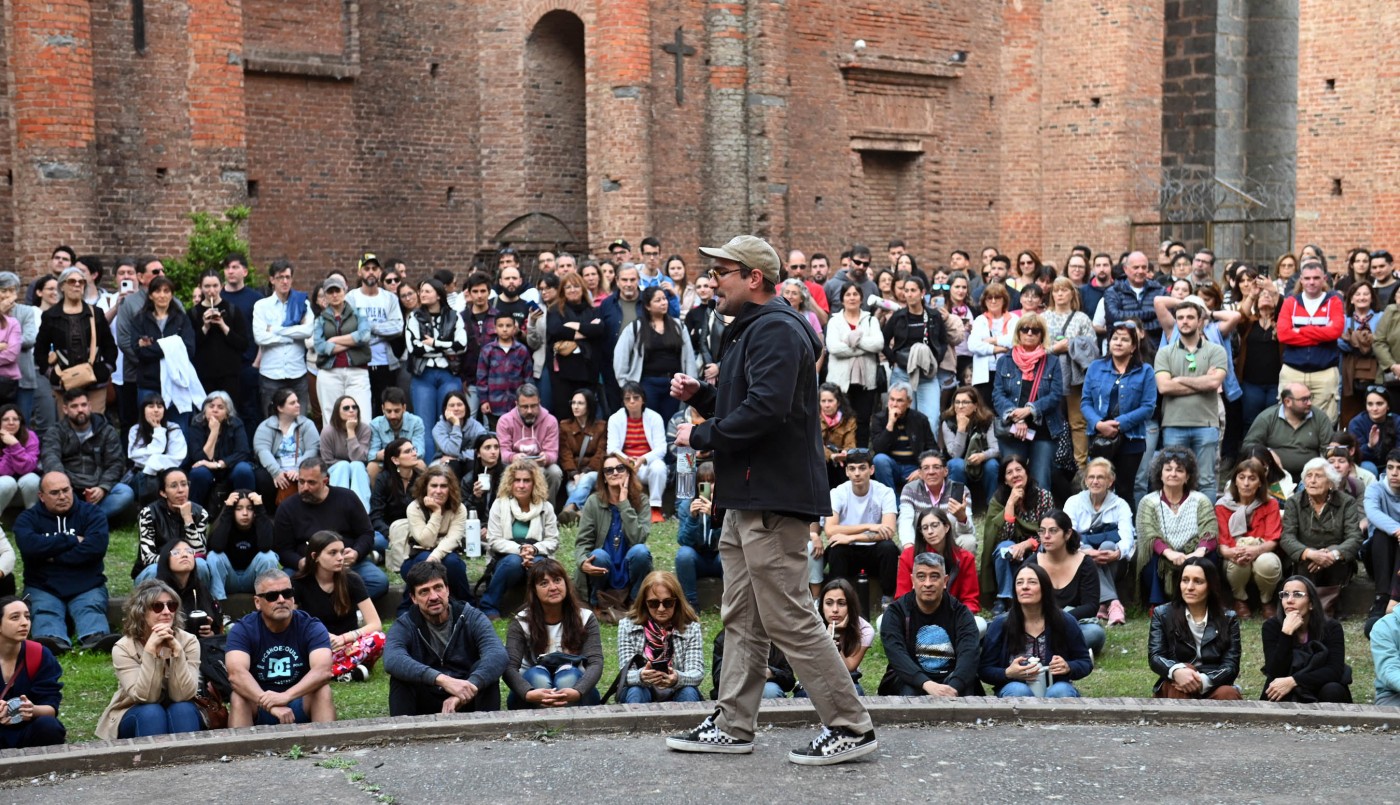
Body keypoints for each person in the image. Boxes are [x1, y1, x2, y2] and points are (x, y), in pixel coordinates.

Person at [668, 235, 875, 766]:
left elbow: (768, 411)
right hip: (745, 498)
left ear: (753, 277)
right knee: (742, 616)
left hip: (773, 498)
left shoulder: (778, 329)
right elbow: (754, 404)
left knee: (788, 617)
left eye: (723, 272)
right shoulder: (751, 331)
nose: (713, 281)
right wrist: (705, 398)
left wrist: (703, 433)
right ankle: (735, 723)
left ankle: (850, 725)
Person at [15, 472, 119, 654]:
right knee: (44, 610)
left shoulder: (92, 513)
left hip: (87, 584)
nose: (62, 496)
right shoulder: (27, 519)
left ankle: (95, 637)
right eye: (55, 493)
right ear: (41, 496)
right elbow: (30, 547)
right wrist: (71, 540)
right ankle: (52, 641)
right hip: (43, 585)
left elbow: (94, 549)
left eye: (66, 490)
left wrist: (51, 556)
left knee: (90, 607)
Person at [385, 560, 508, 715]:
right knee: (400, 678)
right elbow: (392, 659)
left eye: (438, 588)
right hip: (425, 701)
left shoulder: (471, 616)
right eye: (424, 591)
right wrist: (442, 680)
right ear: (414, 598)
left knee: (484, 671)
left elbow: (498, 655)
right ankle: (403, 734)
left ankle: (487, 731)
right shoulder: (405, 624)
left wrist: (466, 689)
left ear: (447, 589)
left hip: (468, 699)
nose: (434, 596)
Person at [94, 579, 202, 739]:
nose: (167, 612)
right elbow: (146, 698)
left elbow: (182, 695)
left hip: (179, 709)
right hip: (137, 711)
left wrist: (177, 653)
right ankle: (153, 763)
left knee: (183, 709)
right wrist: (151, 652)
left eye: (171, 606)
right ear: (141, 612)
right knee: (152, 712)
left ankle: (190, 762)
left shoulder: (188, 641)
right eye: (158, 607)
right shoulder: (123, 648)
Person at [226, 569, 335, 726]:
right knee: (239, 697)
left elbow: (323, 671)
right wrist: (269, 703)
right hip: (259, 702)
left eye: (287, 593)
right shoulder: (243, 629)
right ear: (257, 602)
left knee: (323, 691)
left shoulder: (311, 626)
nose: (282, 600)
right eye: (272, 596)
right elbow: (236, 675)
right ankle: (239, 750)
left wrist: (286, 696)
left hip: (299, 701)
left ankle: (326, 746)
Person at [273, 457, 388, 598]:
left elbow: (366, 533)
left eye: (311, 483)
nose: (304, 488)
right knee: (284, 588)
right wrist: (299, 562)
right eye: (301, 482)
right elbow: (282, 549)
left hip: (344, 563)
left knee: (378, 581)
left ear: (325, 481)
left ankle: (342, 608)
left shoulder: (347, 498)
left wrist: (356, 553)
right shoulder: (287, 507)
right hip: (308, 566)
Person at [980, 563, 1093, 698]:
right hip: (1014, 687)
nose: (1025, 587)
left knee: (1061, 691)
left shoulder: (1065, 621)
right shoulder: (1000, 624)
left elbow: (1085, 662)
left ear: (1044, 588)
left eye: (1032, 582)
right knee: (1018, 690)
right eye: (1019, 583)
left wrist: (1068, 666)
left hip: (1055, 686)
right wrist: (1007, 673)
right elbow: (984, 670)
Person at [503, 557, 604, 708]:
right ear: (534, 591)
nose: (553, 587)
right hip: (531, 691)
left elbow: (595, 662)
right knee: (539, 678)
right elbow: (509, 666)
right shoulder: (521, 621)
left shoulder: (585, 617)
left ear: (566, 583)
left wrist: (577, 691)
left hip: (577, 689)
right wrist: (528, 692)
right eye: (544, 583)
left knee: (567, 678)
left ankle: (562, 727)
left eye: (557, 580)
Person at [878, 552, 980, 697]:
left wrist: (953, 688)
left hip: (951, 678)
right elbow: (897, 655)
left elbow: (969, 655)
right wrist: (926, 684)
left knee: (967, 694)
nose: (927, 583)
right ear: (912, 580)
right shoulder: (896, 613)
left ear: (945, 581)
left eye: (934, 576)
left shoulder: (961, 613)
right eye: (921, 577)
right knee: (909, 694)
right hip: (910, 679)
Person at [291, 531, 386, 683]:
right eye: (333, 553)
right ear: (315, 556)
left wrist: (343, 638)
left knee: (378, 639)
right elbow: (288, 622)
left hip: (348, 645)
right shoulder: (299, 583)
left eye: (341, 552)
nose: (340, 558)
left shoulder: (352, 580)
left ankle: (328, 672)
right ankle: (346, 671)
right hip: (316, 647)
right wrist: (317, 637)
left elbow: (375, 624)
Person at [1081, 320, 1157, 503]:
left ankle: (1125, 530)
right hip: (1099, 436)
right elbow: (1085, 402)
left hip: (1131, 439)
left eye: (1124, 339)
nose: (1118, 342)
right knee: (1098, 487)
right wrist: (1099, 424)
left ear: (1133, 347)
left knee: (1124, 489)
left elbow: (1148, 406)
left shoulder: (1145, 371)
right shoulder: (1095, 367)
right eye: (1114, 338)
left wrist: (1120, 423)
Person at [1134, 447, 1219, 609]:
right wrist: (1170, 553)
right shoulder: (1148, 501)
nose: (1173, 474)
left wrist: (1198, 552)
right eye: (1168, 469)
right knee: (1148, 554)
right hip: (1164, 555)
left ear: (1187, 476)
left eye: (1179, 470)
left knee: (1211, 556)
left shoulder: (1200, 500)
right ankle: (1157, 605)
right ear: (1160, 474)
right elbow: (1148, 535)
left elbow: (1210, 531)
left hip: (1194, 552)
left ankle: (1204, 601)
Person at [1147, 557, 1242, 699]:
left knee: (1228, 694)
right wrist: (1176, 671)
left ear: (1210, 586)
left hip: (1211, 683)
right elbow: (1156, 656)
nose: (1189, 587)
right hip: (1176, 684)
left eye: (1198, 581)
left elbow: (1231, 666)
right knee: (1185, 671)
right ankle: (1181, 721)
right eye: (1185, 580)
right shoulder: (1162, 614)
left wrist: (1203, 681)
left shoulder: (1228, 618)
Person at [478, 458, 562, 618]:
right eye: (517, 480)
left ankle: (544, 610)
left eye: (526, 481)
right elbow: (494, 540)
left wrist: (534, 549)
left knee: (539, 565)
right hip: (505, 558)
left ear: (534, 483)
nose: (521, 485)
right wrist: (521, 550)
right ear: (510, 483)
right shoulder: (499, 505)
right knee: (513, 562)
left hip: (537, 555)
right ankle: (489, 607)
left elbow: (553, 541)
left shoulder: (546, 507)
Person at [1280, 458, 1363, 616]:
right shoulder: (1294, 503)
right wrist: (1310, 554)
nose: (1312, 481)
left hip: (1336, 560)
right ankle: (1304, 608)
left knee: (1338, 560)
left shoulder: (1346, 502)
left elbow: (1355, 537)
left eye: (1318, 476)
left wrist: (1331, 554)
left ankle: (1327, 608)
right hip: (1305, 560)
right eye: (1309, 476)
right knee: (1305, 561)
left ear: (1330, 482)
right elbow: (1287, 537)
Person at [991, 314, 1064, 490]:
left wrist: (1030, 410)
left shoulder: (1052, 362)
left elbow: (1055, 395)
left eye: (1035, 330)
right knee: (1013, 479)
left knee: (1040, 481)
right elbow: (997, 395)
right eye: (1025, 329)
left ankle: (1042, 517)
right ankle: (1012, 516)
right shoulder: (1004, 361)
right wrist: (1018, 417)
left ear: (1041, 335)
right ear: (1018, 333)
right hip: (1013, 429)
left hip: (1044, 430)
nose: (1029, 333)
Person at [41, 389, 135, 523]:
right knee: (42, 489)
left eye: (84, 405)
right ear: (65, 409)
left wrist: (103, 487)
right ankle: (87, 519)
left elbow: (116, 463)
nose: (80, 409)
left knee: (125, 493)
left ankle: (83, 520)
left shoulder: (106, 430)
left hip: (97, 488)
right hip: (69, 488)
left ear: (90, 406)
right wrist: (65, 486)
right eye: (74, 406)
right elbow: (50, 459)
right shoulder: (55, 432)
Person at [978, 455, 1056, 616]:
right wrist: (1010, 504)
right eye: (1009, 472)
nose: (1015, 475)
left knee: (1045, 545)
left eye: (1019, 470)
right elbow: (999, 537)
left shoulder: (1044, 497)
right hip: (1011, 551)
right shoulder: (998, 500)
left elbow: (1050, 531)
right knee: (1003, 548)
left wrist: (1028, 544)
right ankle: (1006, 598)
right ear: (1005, 480)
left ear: (1027, 473)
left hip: (1036, 547)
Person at [822, 449, 899, 610]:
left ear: (871, 470)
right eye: (852, 468)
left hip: (873, 552)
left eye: (862, 468)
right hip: (848, 552)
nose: (857, 473)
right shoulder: (837, 493)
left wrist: (850, 537)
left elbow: (889, 530)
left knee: (889, 548)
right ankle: (839, 599)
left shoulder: (885, 492)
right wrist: (868, 526)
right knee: (837, 548)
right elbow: (830, 530)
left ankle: (887, 600)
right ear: (847, 471)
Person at [387, 467, 474, 606]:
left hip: (446, 557)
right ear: (425, 487)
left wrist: (434, 557)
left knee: (452, 562)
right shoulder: (414, 508)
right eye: (434, 485)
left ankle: (467, 606)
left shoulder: (459, 508)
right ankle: (408, 609)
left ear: (450, 488)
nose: (438, 491)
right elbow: (425, 541)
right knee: (423, 562)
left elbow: (453, 538)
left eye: (444, 486)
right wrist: (436, 513)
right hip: (416, 558)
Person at [1063, 459, 1135, 626]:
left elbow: (1128, 537)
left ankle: (1102, 603)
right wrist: (1085, 553)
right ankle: (1112, 603)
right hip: (1081, 562)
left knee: (1108, 546)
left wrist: (1117, 552)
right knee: (1087, 552)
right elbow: (1067, 535)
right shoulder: (1073, 502)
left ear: (1110, 481)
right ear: (1086, 480)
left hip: (1114, 562)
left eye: (1101, 477)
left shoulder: (1120, 505)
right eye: (1091, 477)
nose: (1095, 481)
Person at [1258, 576, 1353, 703]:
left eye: (1297, 595)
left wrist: (1295, 681)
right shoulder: (1271, 627)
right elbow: (1274, 672)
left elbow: (1334, 671)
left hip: (1320, 685)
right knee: (1278, 690)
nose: (1289, 600)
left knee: (1333, 689)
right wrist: (1286, 634)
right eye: (1285, 595)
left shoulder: (1331, 627)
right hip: (1285, 688)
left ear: (1311, 604)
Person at [615, 570, 704, 704]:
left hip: (677, 689)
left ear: (677, 602)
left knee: (689, 691)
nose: (661, 609)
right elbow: (625, 675)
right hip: (642, 688)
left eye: (668, 603)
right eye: (654, 603)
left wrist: (677, 678)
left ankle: (689, 725)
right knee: (635, 691)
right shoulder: (627, 626)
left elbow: (696, 672)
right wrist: (641, 676)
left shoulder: (691, 627)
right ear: (644, 603)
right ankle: (635, 725)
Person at [38, 265, 118, 413]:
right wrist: (51, 374)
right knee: (67, 428)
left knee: (96, 425)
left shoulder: (97, 313)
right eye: (72, 281)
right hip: (64, 383)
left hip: (95, 381)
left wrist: (106, 369)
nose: (77, 285)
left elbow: (110, 347)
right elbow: (40, 351)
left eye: (81, 282)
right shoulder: (51, 316)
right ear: (62, 286)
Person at [1026, 510, 1106, 654]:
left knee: (1094, 633)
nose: (1046, 536)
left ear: (1067, 534)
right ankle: (1055, 648)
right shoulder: (1032, 564)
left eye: (1053, 531)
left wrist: (1060, 619)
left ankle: (1042, 648)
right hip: (1038, 624)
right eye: (1042, 531)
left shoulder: (1085, 563)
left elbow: (1091, 606)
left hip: (1073, 624)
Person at [614, 286, 695, 423]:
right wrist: (626, 384)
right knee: (650, 424)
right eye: (658, 300)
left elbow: (689, 357)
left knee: (672, 423)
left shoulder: (678, 325)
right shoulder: (636, 327)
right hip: (647, 385)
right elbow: (620, 356)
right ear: (647, 306)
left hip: (673, 384)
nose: (663, 302)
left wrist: (691, 382)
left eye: (664, 299)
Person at [133, 469, 219, 599]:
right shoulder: (149, 514)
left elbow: (200, 553)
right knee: (153, 570)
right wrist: (177, 561)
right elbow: (148, 558)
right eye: (174, 486)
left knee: (200, 565)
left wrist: (188, 519)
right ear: (163, 492)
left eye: (184, 484)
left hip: (186, 571)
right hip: (155, 569)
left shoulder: (200, 513)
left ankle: (202, 607)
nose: (181, 490)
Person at [1215, 458, 1284, 620]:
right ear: (1235, 481)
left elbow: (1273, 539)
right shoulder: (1222, 506)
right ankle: (1240, 600)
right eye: (1242, 477)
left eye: (1252, 479)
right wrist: (1234, 552)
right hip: (1234, 554)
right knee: (1237, 564)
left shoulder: (1271, 504)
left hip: (1262, 552)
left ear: (1260, 483)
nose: (1246, 483)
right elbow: (1222, 544)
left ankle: (1266, 601)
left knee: (1267, 563)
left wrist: (1255, 550)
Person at [1277, 263, 1345, 422]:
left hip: (1325, 373)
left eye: (1316, 278)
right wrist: (1321, 332)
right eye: (1307, 278)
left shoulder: (1333, 301)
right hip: (1293, 371)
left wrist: (1300, 330)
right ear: (1301, 280)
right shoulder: (1290, 302)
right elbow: (1283, 335)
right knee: (1288, 421)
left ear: (1324, 279)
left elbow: (1335, 332)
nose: (1311, 282)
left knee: (1324, 424)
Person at [895, 508, 982, 631]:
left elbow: (970, 600)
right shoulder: (908, 556)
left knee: (980, 624)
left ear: (946, 527)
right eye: (925, 528)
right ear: (921, 533)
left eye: (934, 526)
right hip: (917, 619)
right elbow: (902, 597)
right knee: (883, 621)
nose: (930, 531)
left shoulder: (965, 558)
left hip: (953, 618)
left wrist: (957, 618)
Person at [129, 275, 199, 426]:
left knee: (179, 431)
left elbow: (188, 350)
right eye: (158, 291)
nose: (162, 295)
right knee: (149, 430)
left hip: (177, 385)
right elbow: (139, 351)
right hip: (149, 383)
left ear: (172, 295)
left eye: (166, 291)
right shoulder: (140, 320)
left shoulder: (181, 319)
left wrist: (153, 346)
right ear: (150, 295)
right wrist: (173, 346)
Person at [824, 282, 885, 448]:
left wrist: (853, 340)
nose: (852, 298)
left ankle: (862, 456)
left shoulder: (871, 320)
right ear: (842, 299)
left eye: (855, 294)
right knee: (841, 421)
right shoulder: (835, 321)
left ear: (861, 298)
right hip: (840, 382)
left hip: (866, 382)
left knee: (863, 421)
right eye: (848, 294)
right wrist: (864, 348)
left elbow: (878, 345)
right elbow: (834, 348)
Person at [0, 596, 65, 748]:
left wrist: (32, 710)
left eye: (27, 617)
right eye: (15, 617)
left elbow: (51, 708)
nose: (24, 623)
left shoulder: (39, 654)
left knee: (49, 726)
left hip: (27, 730)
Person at [252, 261, 314, 417]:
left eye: (288, 277)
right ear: (272, 280)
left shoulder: (302, 303)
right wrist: (291, 336)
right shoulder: (261, 306)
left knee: (300, 422)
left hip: (297, 373)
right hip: (271, 374)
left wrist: (274, 329)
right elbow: (260, 337)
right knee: (271, 422)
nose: (285, 281)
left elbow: (307, 331)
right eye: (280, 277)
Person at [405, 278, 467, 433]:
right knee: (424, 424)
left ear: (438, 295)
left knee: (450, 420)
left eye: (427, 291)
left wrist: (433, 343)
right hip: (423, 375)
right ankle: (429, 458)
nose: (422, 294)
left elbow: (462, 346)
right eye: (421, 291)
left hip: (449, 373)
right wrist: (447, 346)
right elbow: (414, 348)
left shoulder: (454, 316)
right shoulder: (414, 317)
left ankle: (448, 457)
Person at [1241, 383, 1333, 482]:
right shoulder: (1267, 417)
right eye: (1304, 400)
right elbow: (1248, 445)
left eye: (1310, 398)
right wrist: (1268, 452)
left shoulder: (1320, 418)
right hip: (1274, 476)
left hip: (1310, 477)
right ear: (1287, 401)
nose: (1309, 403)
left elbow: (1328, 449)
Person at [181, 390, 258, 510]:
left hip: (230, 468)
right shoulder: (197, 425)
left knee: (244, 470)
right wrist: (214, 432)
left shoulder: (236, 424)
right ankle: (194, 514)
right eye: (211, 406)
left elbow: (243, 452)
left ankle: (247, 511)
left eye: (220, 407)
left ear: (227, 412)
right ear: (205, 409)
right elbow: (199, 458)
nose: (215, 410)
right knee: (198, 473)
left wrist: (218, 464)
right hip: (206, 470)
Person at [607, 381, 669, 523]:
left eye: (636, 397)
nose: (632, 402)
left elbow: (661, 448)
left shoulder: (655, 418)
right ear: (623, 402)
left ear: (643, 399)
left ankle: (655, 508)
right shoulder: (615, 419)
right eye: (628, 398)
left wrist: (642, 459)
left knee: (659, 467)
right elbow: (612, 448)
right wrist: (627, 460)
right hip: (626, 465)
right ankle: (618, 508)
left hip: (647, 465)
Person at [896, 450, 976, 552]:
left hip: (951, 545)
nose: (931, 472)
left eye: (936, 467)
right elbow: (905, 521)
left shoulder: (960, 491)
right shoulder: (910, 489)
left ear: (945, 471)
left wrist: (962, 518)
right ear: (920, 473)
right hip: (922, 545)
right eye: (926, 468)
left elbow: (969, 532)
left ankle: (958, 568)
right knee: (905, 545)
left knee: (969, 541)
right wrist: (909, 546)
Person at [205, 490, 280, 596]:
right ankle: (218, 606)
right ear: (232, 510)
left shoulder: (262, 524)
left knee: (268, 556)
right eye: (238, 509)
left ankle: (267, 600)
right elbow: (217, 547)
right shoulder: (225, 523)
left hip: (254, 579)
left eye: (250, 508)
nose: (245, 513)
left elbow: (265, 547)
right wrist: (227, 510)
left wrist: (260, 509)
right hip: (230, 579)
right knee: (214, 556)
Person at [253, 387, 320, 503]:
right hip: (276, 467)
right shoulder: (266, 426)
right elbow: (262, 450)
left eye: (297, 401)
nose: (298, 405)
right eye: (292, 403)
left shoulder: (307, 424)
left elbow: (312, 449)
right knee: (261, 477)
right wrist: (277, 472)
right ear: (280, 408)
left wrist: (299, 468)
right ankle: (270, 513)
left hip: (301, 466)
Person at [805, 579, 872, 695]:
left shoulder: (864, 630)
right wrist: (825, 636)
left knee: (855, 692)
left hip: (847, 679)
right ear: (822, 606)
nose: (835, 610)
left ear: (850, 606)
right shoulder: (812, 624)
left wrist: (833, 640)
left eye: (841, 603)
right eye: (829, 603)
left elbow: (849, 666)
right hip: (816, 679)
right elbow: (809, 666)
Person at [191, 269, 250, 400]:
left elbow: (243, 343)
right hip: (203, 375)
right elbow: (190, 345)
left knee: (229, 412)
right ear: (200, 287)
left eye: (215, 286)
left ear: (221, 286)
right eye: (207, 286)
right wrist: (205, 327)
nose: (211, 290)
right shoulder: (193, 313)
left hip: (229, 375)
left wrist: (223, 326)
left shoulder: (233, 310)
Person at [869, 383, 937, 495]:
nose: (894, 404)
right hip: (892, 466)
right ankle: (890, 502)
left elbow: (932, 448)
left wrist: (922, 469)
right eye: (892, 399)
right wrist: (890, 423)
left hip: (914, 466)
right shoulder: (879, 418)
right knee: (879, 459)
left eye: (899, 400)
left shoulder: (920, 419)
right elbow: (878, 449)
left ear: (909, 403)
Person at [941, 387, 1000, 508]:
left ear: (975, 405)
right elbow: (955, 454)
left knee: (992, 464)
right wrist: (961, 429)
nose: (960, 406)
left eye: (965, 402)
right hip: (960, 464)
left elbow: (996, 449)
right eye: (957, 402)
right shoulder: (948, 422)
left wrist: (983, 456)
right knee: (956, 464)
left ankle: (993, 507)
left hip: (982, 462)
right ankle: (957, 506)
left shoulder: (987, 420)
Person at [125, 394, 188, 503]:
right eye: (150, 406)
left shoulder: (174, 428)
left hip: (168, 475)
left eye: (159, 406)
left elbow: (177, 457)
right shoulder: (135, 430)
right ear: (143, 410)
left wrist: (153, 462)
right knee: (150, 479)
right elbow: (135, 456)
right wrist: (158, 431)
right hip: (141, 476)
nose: (156, 410)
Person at [155, 539, 223, 638]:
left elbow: (216, 625)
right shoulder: (157, 591)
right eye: (176, 552)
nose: (184, 555)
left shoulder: (200, 588)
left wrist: (211, 632)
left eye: (189, 551)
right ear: (165, 559)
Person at [558, 389, 607, 524]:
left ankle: (568, 508)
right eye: (573, 403)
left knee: (587, 479)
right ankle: (581, 514)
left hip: (593, 472)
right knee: (572, 488)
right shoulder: (565, 426)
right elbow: (565, 454)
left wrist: (585, 472)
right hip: (574, 473)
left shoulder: (601, 427)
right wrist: (574, 474)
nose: (575, 406)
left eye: (580, 403)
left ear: (589, 406)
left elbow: (600, 454)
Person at [320, 394, 373, 509]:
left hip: (359, 467)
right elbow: (327, 461)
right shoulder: (328, 431)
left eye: (354, 407)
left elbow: (360, 457)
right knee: (343, 466)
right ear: (337, 412)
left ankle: (361, 509)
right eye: (346, 408)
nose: (351, 410)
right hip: (336, 468)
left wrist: (351, 431)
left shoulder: (365, 429)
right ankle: (339, 508)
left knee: (357, 465)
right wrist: (345, 464)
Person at [369, 386, 428, 477]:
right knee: (372, 467)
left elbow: (419, 451)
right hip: (385, 463)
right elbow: (371, 454)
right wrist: (378, 455)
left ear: (404, 408)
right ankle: (376, 492)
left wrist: (401, 456)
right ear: (383, 409)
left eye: (397, 411)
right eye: (388, 411)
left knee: (420, 464)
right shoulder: (375, 424)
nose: (393, 416)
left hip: (408, 460)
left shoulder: (416, 422)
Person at [1348, 386, 1400, 476]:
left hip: (1393, 462)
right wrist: (1370, 446)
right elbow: (1354, 455)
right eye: (1370, 404)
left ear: (1388, 406)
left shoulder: (1397, 421)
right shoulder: (1356, 423)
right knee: (1369, 468)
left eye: (1379, 404)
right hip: (1365, 463)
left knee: (1390, 470)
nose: (1374, 408)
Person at [0, 405, 40, 515]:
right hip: (3, 492)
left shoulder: (30, 436)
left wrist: (15, 445)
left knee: (31, 479)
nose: (11, 422)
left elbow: (27, 468)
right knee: (7, 481)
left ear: (20, 421)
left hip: (26, 493)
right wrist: (10, 447)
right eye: (5, 419)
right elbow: (2, 471)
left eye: (15, 419)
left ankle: (33, 518)